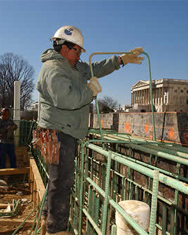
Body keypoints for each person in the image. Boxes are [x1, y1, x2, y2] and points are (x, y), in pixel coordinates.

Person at [36, 25, 144, 235]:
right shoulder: (53, 70)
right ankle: (56, 230)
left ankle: (46, 220)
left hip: (65, 132)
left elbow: (96, 69)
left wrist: (121, 60)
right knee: (61, 184)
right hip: (58, 134)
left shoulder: (72, 67)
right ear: (65, 48)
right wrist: (90, 90)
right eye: (78, 51)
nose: (79, 56)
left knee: (56, 181)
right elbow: (68, 99)